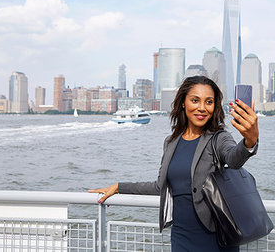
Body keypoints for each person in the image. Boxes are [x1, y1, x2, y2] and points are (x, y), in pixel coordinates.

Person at [89, 76, 259, 252]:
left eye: (209, 102)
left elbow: (234, 159)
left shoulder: (219, 138)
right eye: (195, 100)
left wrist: (250, 140)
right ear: (183, 103)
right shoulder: (171, 142)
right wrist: (118, 187)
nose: (202, 107)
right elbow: (159, 187)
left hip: (215, 238)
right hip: (180, 237)